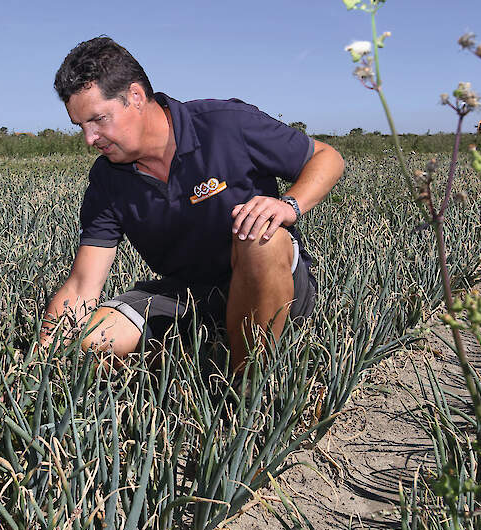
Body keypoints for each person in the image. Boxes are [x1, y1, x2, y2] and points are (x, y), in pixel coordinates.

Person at [42, 36, 344, 374]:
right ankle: (202, 360)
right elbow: (83, 285)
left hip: (271, 283)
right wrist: (41, 355)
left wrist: (289, 205)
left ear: (136, 97)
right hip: (188, 297)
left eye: (99, 119)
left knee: (262, 237)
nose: (89, 138)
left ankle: (247, 385)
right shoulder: (107, 180)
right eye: (80, 126)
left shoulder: (224, 124)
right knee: (89, 340)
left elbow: (325, 157)